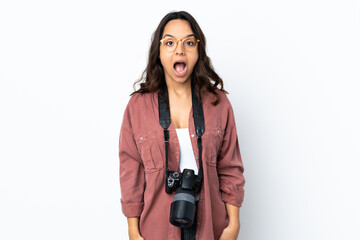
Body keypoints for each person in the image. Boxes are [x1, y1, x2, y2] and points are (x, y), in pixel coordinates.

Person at [119, 11, 245, 240]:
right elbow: (131, 173)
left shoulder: (218, 103)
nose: (179, 50)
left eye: (188, 42)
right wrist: (133, 231)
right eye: (169, 42)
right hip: (155, 230)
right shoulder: (138, 107)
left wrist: (233, 225)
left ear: (198, 50)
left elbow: (230, 168)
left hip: (211, 228)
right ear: (158, 52)